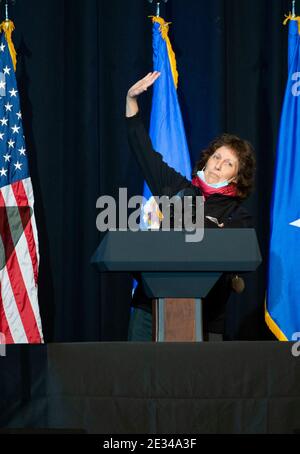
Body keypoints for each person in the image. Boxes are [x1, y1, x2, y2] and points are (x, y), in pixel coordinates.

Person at [126, 72, 256, 341]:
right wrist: (131, 101)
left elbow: (233, 262)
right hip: (150, 307)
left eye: (228, 163)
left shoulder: (238, 216)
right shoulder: (177, 187)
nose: (218, 164)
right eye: (217, 156)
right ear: (207, 160)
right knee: (138, 378)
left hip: (205, 316)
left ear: (236, 176)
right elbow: (143, 152)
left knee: (194, 383)